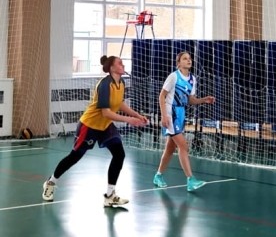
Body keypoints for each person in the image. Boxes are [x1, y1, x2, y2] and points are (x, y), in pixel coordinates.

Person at [42, 55, 149, 207]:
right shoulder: (105, 84)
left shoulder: (121, 82)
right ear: (112, 68)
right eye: (120, 63)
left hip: (105, 126)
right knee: (74, 157)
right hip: (89, 125)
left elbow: (119, 104)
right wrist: (129, 120)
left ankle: (110, 195)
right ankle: (50, 183)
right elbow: (106, 112)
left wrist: (137, 115)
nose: (123, 65)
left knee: (119, 154)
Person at [153, 51, 215, 192]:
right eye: (185, 58)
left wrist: (203, 100)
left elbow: (190, 100)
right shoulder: (174, 76)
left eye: (190, 58)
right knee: (184, 146)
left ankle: (158, 176)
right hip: (171, 112)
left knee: (170, 148)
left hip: (181, 113)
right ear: (179, 63)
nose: (189, 60)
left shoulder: (192, 79)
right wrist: (164, 115)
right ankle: (190, 179)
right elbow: (161, 96)